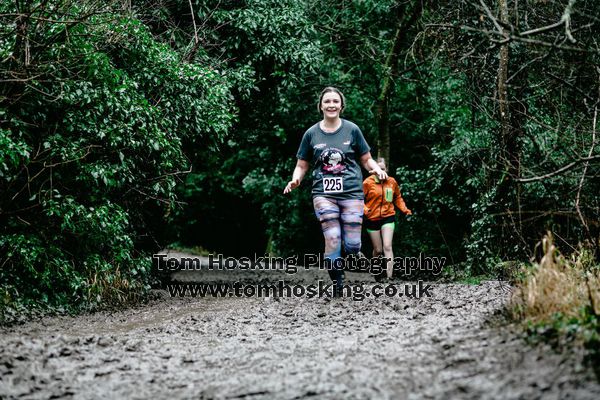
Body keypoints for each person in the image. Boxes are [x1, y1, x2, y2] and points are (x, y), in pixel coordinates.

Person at [283, 87, 387, 296]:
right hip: (323, 193)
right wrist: (296, 179)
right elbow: (302, 165)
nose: (331, 105)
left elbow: (365, 159)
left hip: (351, 192)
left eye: (335, 101)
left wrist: (376, 169)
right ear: (321, 106)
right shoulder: (311, 133)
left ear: (341, 105)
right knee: (331, 238)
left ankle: (354, 252)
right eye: (327, 101)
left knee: (352, 244)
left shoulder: (352, 130)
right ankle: (338, 284)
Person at [363, 157, 412, 282]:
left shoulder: (392, 182)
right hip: (372, 219)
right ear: (374, 170)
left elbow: (397, 198)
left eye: (383, 169)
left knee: (387, 246)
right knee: (378, 250)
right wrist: (365, 210)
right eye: (378, 169)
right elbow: (358, 199)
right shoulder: (367, 183)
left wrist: (405, 209)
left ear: (387, 169)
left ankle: (390, 277)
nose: (381, 172)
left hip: (388, 217)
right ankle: (376, 271)